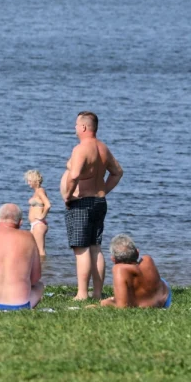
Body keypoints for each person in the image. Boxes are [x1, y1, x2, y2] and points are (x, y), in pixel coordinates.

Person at [61, 111, 124, 301]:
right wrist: (103, 189)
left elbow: (74, 175)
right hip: (99, 202)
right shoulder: (103, 148)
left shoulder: (81, 149)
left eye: (76, 125)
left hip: (82, 203)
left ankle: (82, 294)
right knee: (96, 247)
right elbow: (118, 172)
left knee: (81, 249)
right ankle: (96, 293)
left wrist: (68, 195)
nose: (74, 128)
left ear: (84, 127)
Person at [100, 234, 171, 309]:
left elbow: (122, 307)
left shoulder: (119, 269)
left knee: (105, 301)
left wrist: (107, 303)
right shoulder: (147, 259)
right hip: (165, 298)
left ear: (113, 260)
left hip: (146, 305)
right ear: (137, 252)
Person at [25, 169, 52, 258]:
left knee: (40, 251)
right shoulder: (36, 192)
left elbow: (47, 205)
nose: (28, 183)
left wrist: (42, 216)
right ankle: (39, 269)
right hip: (34, 224)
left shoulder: (40, 191)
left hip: (38, 224)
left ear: (34, 180)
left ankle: (43, 269)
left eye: (29, 181)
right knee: (33, 249)